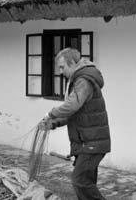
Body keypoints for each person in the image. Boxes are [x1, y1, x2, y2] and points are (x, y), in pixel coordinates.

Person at [40, 48, 110, 200]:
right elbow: (74, 114)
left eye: (62, 67)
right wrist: (53, 124)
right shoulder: (79, 79)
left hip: (91, 143)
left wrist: (50, 114)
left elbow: (72, 106)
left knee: (80, 182)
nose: (60, 72)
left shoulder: (83, 80)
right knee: (86, 183)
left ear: (71, 63)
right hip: (86, 143)